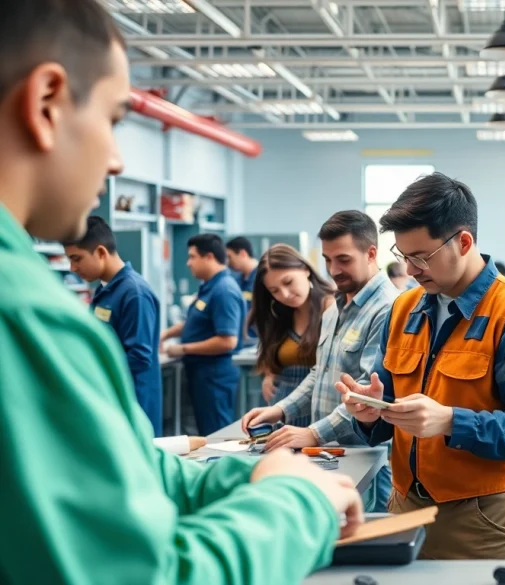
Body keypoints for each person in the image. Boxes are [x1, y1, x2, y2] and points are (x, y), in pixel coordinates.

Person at [0, 3, 363, 582]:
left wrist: (250, 475)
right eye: (115, 120)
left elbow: (130, 474)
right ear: (46, 103)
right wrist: (298, 505)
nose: (116, 159)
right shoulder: (24, 317)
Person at [340, 172, 505, 560]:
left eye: (421, 257)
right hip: (406, 508)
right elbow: (385, 417)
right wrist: (370, 411)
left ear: (463, 242)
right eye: (403, 256)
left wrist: (450, 422)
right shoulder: (403, 310)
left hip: (484, 520)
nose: (410, 270)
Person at [241, 211, 399, 513]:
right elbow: (319, 373)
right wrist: (280, 408)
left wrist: (314, 432)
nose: (333, 270)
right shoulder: (336, 308)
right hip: (329, 454)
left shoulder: (389, 309)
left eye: (343, 259)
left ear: (371, 253)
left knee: (362, 544)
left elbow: (367, 393)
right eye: (327, 260)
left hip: (363, 459)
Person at [64, 216, 163, 435]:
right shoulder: (105, 290)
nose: (72, 268)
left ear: (101, 252)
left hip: (133, 403)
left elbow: (138, 357)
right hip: (112, 398)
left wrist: (94, 372)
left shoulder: (134, 293)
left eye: (77, 258)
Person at [161, 234, 245, 435]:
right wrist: (164, 335)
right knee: (205, 432)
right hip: (202, 374)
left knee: (217, 435)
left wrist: (182, 348)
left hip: (214, 375)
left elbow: (227, 341)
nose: (189, 263)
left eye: (192, 257)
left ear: (208, 257)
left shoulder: (224, 290)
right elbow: (194, 321)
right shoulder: (209, 287)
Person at [249, 244, 335, 411]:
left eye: (288, 282)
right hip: (281, 408)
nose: (285, 295)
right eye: (274, 291)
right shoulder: (279, 314)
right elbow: (272, 355)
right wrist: (269, 374)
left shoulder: (331, 308)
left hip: (320, 409)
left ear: (305, 270)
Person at [226, 236, 259, 346]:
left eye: (230, 257)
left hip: (258, 342)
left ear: (243, 254)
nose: (228, 262)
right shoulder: (235, 281)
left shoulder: (263, 278)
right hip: (240, 342)